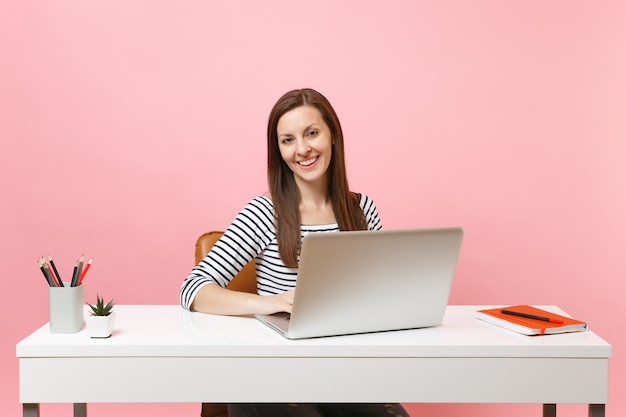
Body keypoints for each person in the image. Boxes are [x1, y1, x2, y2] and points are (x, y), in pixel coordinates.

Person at [180, 88, 409, 417]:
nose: (302, 150)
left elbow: (375, 295)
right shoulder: (264, 213)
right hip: (272, 370)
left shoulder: (362, 210)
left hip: (341, 371)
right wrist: (267, 303)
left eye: (311, 133)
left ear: (333, 137)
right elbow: (193, 288)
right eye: (287, 140)